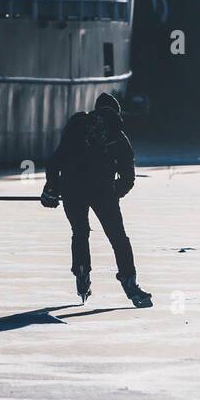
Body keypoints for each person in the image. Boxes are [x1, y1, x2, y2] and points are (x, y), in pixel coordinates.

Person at [40, 92, 152, 308]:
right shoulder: (119, 137)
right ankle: (130, 282)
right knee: (118, 238)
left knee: (80, 232)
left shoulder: (77, 125)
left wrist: (52, 189)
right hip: (103, 192)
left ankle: (82, 274)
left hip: (72, 189)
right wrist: (112, 193)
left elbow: (55, 161)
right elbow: (128, 177)